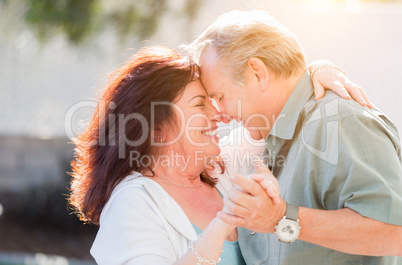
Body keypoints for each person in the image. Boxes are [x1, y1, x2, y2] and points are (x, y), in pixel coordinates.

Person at [68, 43, 367, 264]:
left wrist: (316, 70)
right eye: (200, 104)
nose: (217, 114)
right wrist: (224, 221)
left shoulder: (220, 169)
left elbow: (277, 108)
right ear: (156, 126)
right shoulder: (132, 203)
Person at [189, 10, 402, 264]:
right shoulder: (267, 141)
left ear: (258, 73)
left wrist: (281, 219)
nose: (219, 114)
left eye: (220, 98)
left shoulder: (339, 122)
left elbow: (394, 232)